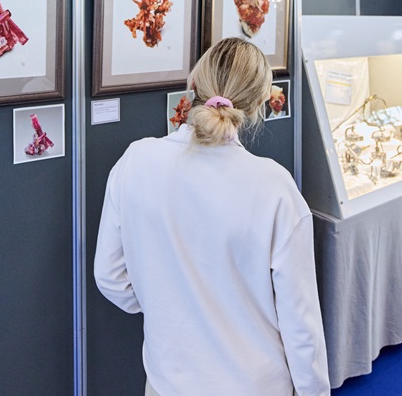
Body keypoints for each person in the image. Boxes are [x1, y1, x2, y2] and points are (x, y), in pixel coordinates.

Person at [94, 37, 329, 396]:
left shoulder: (135, 161)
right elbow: (301, 322)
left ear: (192, 84)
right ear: (260, 103)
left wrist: (166, 306)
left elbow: (109, 277)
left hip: (167, 382)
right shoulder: (274, 186)